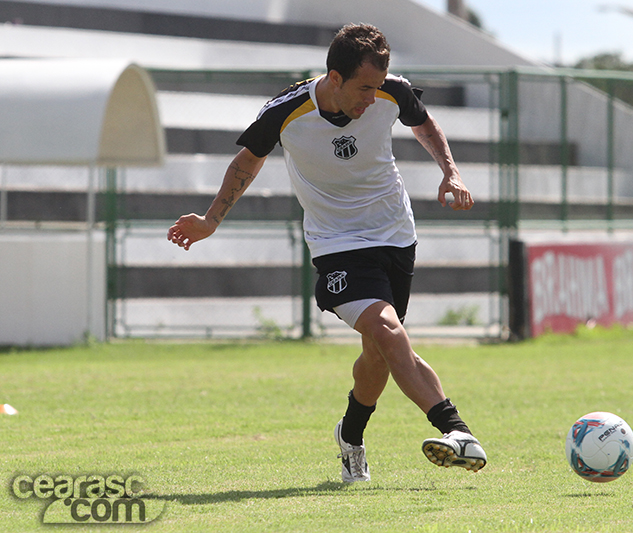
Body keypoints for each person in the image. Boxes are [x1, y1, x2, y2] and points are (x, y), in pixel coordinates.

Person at [167, 23, 486, 483]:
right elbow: (246, 163)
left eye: (378, 87)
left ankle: (350, 437)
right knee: (387, 331)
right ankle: (457, 431)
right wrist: (210, 220)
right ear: (334, 78)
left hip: (396, 235)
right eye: (364, 88)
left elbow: (423, 122)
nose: (372, 99)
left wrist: (450, 173)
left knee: (378, 353)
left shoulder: (391, 92)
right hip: (336, 243)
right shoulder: (285, 111)